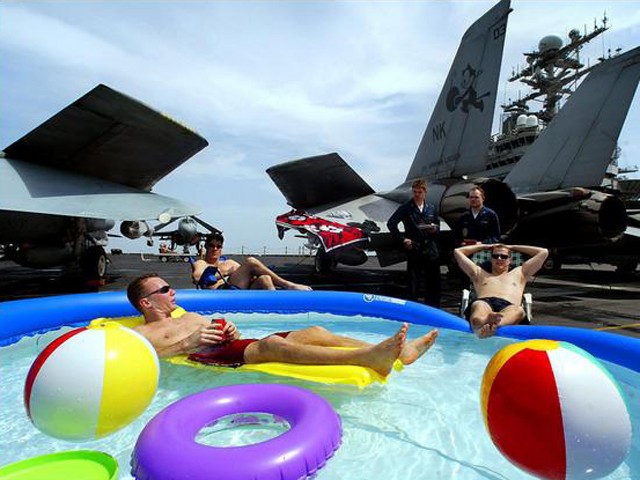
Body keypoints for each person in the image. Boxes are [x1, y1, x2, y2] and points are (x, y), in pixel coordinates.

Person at [126, 274, 439, 376]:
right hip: (205, 355)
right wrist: (188, 343)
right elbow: (144, 359)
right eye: (164, 289)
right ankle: (366, 357)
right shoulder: (140, 333)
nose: (173, 291)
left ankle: (401, 353)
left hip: (231, 345)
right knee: (272, 345)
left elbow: (228, 334)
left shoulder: (188, 315)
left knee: (315, 332)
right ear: (146, 303)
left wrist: (230, 329)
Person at [454, 243, 548, 338]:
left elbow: (543, 252)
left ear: (509, 260)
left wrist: (512, 247)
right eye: (495, 256)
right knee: (479, 305)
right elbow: (458, 252)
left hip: (509, 306)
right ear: (491, 259)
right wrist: (485, 246)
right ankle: (487, 323)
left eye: (504, 256)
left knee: (518, 310)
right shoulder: (479, 273)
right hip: (485, 302)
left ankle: (491, 324)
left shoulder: (520, 272)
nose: (499, 258)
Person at [192, 232, 311, 290]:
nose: (215, 249)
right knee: (251, 262)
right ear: (206, 247)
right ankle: (288, 285)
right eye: (211, 246)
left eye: (218, 246)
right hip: (220, 294)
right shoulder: (201, 263)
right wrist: (224, 272)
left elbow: (248, 276)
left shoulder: (230, 263)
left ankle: (276, 311)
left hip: (238, 292)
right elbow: (198, 278)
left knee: (265, 279)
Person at [387, 179, 441, 307]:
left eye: (419, 192)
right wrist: (402, 239)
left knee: (433, 281)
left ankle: (433, 309)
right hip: (414, 248)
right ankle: (413, 308)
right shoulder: (406, 208)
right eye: (415, 192)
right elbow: (391, 224)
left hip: (430, 248)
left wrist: (434, 229)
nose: (417, 194)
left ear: (425, 192)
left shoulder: (431, 208)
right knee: (413, 283)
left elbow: (437, 224)